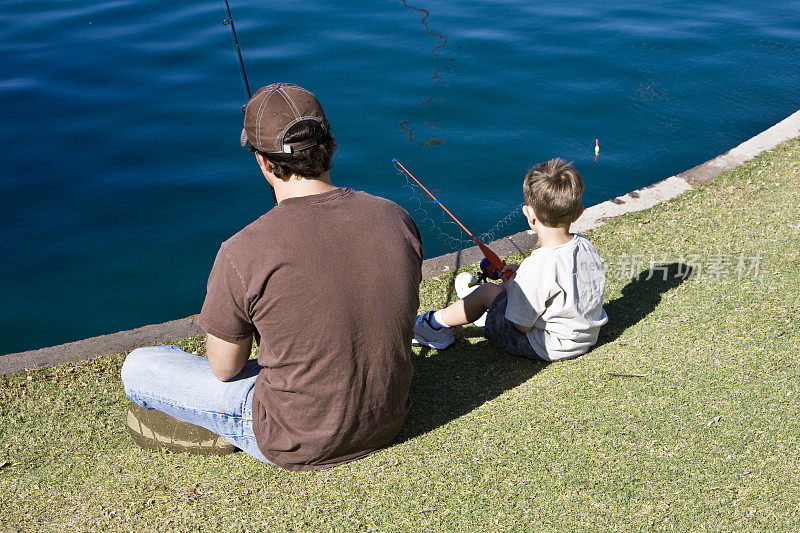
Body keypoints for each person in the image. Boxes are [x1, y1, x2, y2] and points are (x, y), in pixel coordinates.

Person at [121, 83, 423, 471]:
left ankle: (223, 429)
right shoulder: (394, 217)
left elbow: (225, 369)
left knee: (141, 366)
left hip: (293, 437)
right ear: (328, 146)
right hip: (387, 420)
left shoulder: (241, 250)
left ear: (263, 162)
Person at [412, 158, 608, 362]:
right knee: (501, 292)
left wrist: (512, 287)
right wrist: (518, 281)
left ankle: (434, 326)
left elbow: (521, 325)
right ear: (578, 213)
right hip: (583, 337)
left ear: (529, 214)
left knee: (487, 292)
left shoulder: (537, 266)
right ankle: (481, 309)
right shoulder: (586, 246)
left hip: (545, 345)